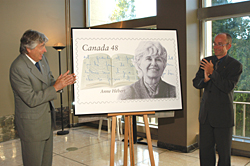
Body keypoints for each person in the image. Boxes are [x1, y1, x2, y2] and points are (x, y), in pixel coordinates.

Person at [9, 30, 76, 166]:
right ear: (28, 49)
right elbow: (31, 99)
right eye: (41, 46)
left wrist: (61, 83)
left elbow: (50, 81)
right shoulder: (18, 68)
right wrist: (56, 87)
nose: (45, 50)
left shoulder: (42, 60)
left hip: (46, 122)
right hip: (31, 127)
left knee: (46, 162)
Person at [193, 33, 242, 166]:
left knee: (224, 154)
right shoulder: (206, 61)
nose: (216, 47)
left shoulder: (235, 65)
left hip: (223, 117)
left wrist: (212, 73)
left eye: (220, 44)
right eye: (215, 43)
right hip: (206, 117)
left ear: (229, 46)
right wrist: (205, 79)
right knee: (205, 152)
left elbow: (227, 87)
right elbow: (196, 83)